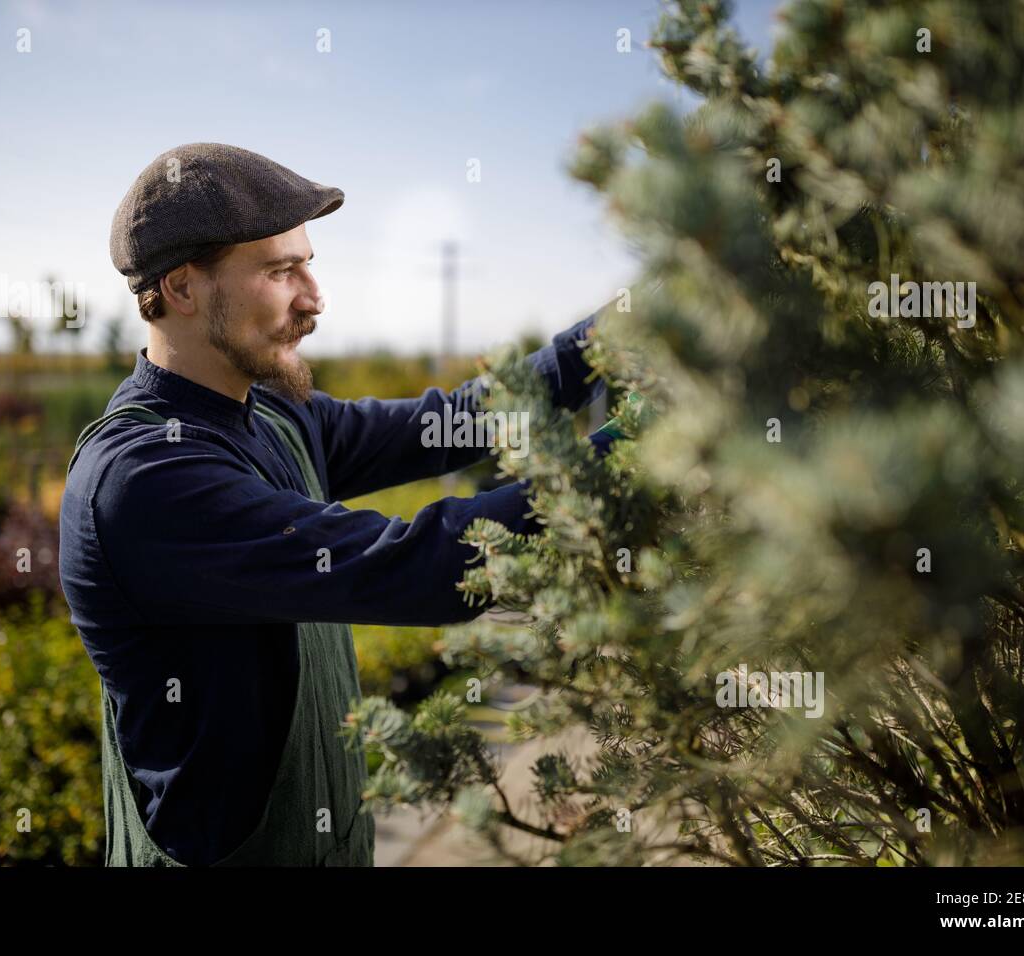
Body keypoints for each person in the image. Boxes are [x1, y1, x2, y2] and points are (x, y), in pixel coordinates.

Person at [59, 142, 618, 867]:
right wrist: (636, 454)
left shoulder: (275, 414)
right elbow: (420, 563)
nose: (313, 297)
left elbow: (464, 419)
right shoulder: (145, 480)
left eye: (307, 263)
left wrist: (626, 333)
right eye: (279, 270)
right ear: (182, 289)